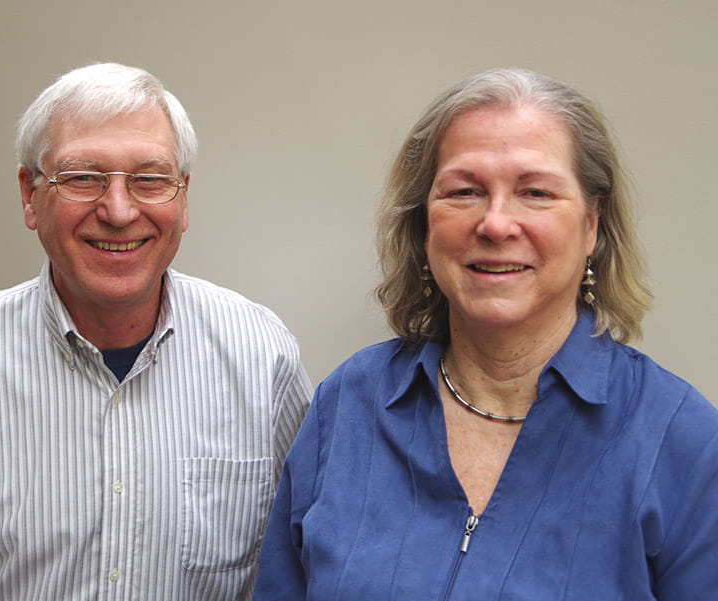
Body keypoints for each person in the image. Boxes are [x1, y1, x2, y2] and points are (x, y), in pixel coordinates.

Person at [252, 68, 718, 600]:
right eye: (465, 190)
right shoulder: (349, 404)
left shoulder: (685, 444)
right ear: (424, 224)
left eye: (536, 192)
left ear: (592, 225)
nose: (496, 225)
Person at [0, 62, 312, 601]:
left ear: (183, 196)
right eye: (83, 177)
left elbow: (300, 574)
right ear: (30, 196)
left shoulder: (263, 358)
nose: (120, 211)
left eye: (150, 179)